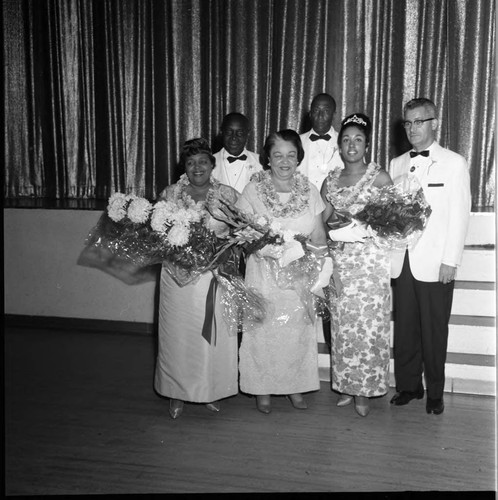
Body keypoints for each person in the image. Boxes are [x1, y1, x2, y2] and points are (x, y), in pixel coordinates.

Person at [236, 129, 328, 414]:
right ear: (268, 158)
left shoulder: (309, 189)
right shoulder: (253, 189)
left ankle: (295, 386)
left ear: (298, 157)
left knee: (297, 331)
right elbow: (241, 232)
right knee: (262, 331)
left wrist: (318, 270)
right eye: (278, 155)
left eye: (291, 155)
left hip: (298, 276)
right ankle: (261, 388)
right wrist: (264, 248)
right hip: (262, 273)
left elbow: (319, 234)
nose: (285, 161)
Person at [389, 98, 471, 415]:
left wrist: (451, 260)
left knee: (435, 330)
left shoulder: (454, 163)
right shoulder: (396, 164)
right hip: (403, 260)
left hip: (437, 262)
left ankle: (436, 391)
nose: (412, 129)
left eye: (419, 122)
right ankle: (410, 386)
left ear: (434, 122)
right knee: (406, 328)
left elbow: (459, 216)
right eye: (408, 123)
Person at [154, 138, 239, 419]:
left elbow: (240, 235)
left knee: (209, 341)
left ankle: (208, 392)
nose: (197, 167)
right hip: (177, 279)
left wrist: (224, 254)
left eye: (203, 161)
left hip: (212, 277)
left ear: (212, 165)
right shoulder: (169, 195)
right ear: (185, 167)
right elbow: (156, 235)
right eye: (191, 163)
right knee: (177, 338)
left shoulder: (228, 194)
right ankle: (177, 393)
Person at [321, 113, 393, 417]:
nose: (352, 144)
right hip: (340, 262)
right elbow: (323, 220)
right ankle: (346, 387)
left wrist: (361, 228)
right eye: (347, 139)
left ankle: (364, 391)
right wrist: (334, 232)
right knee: (342, 327)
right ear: (339, 145)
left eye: (358, 139)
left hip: (370, 263)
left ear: (367, 145)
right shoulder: (331, 180)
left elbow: (392, 222)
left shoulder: (380, 177)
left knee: (368, 327)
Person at [299, 93, 344, 192]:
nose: (320, 116)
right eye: (316, 110)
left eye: (326, 111)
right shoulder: (296, 142)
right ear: (310, 114)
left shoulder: (345, 143)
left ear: (334, 115)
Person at [212, 112, 262, 193]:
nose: (234, 138)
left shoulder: (261, 162)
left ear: (248, 133)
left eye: (240, 133)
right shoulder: (208, 163)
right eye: (228, 132)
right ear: (221, 132)